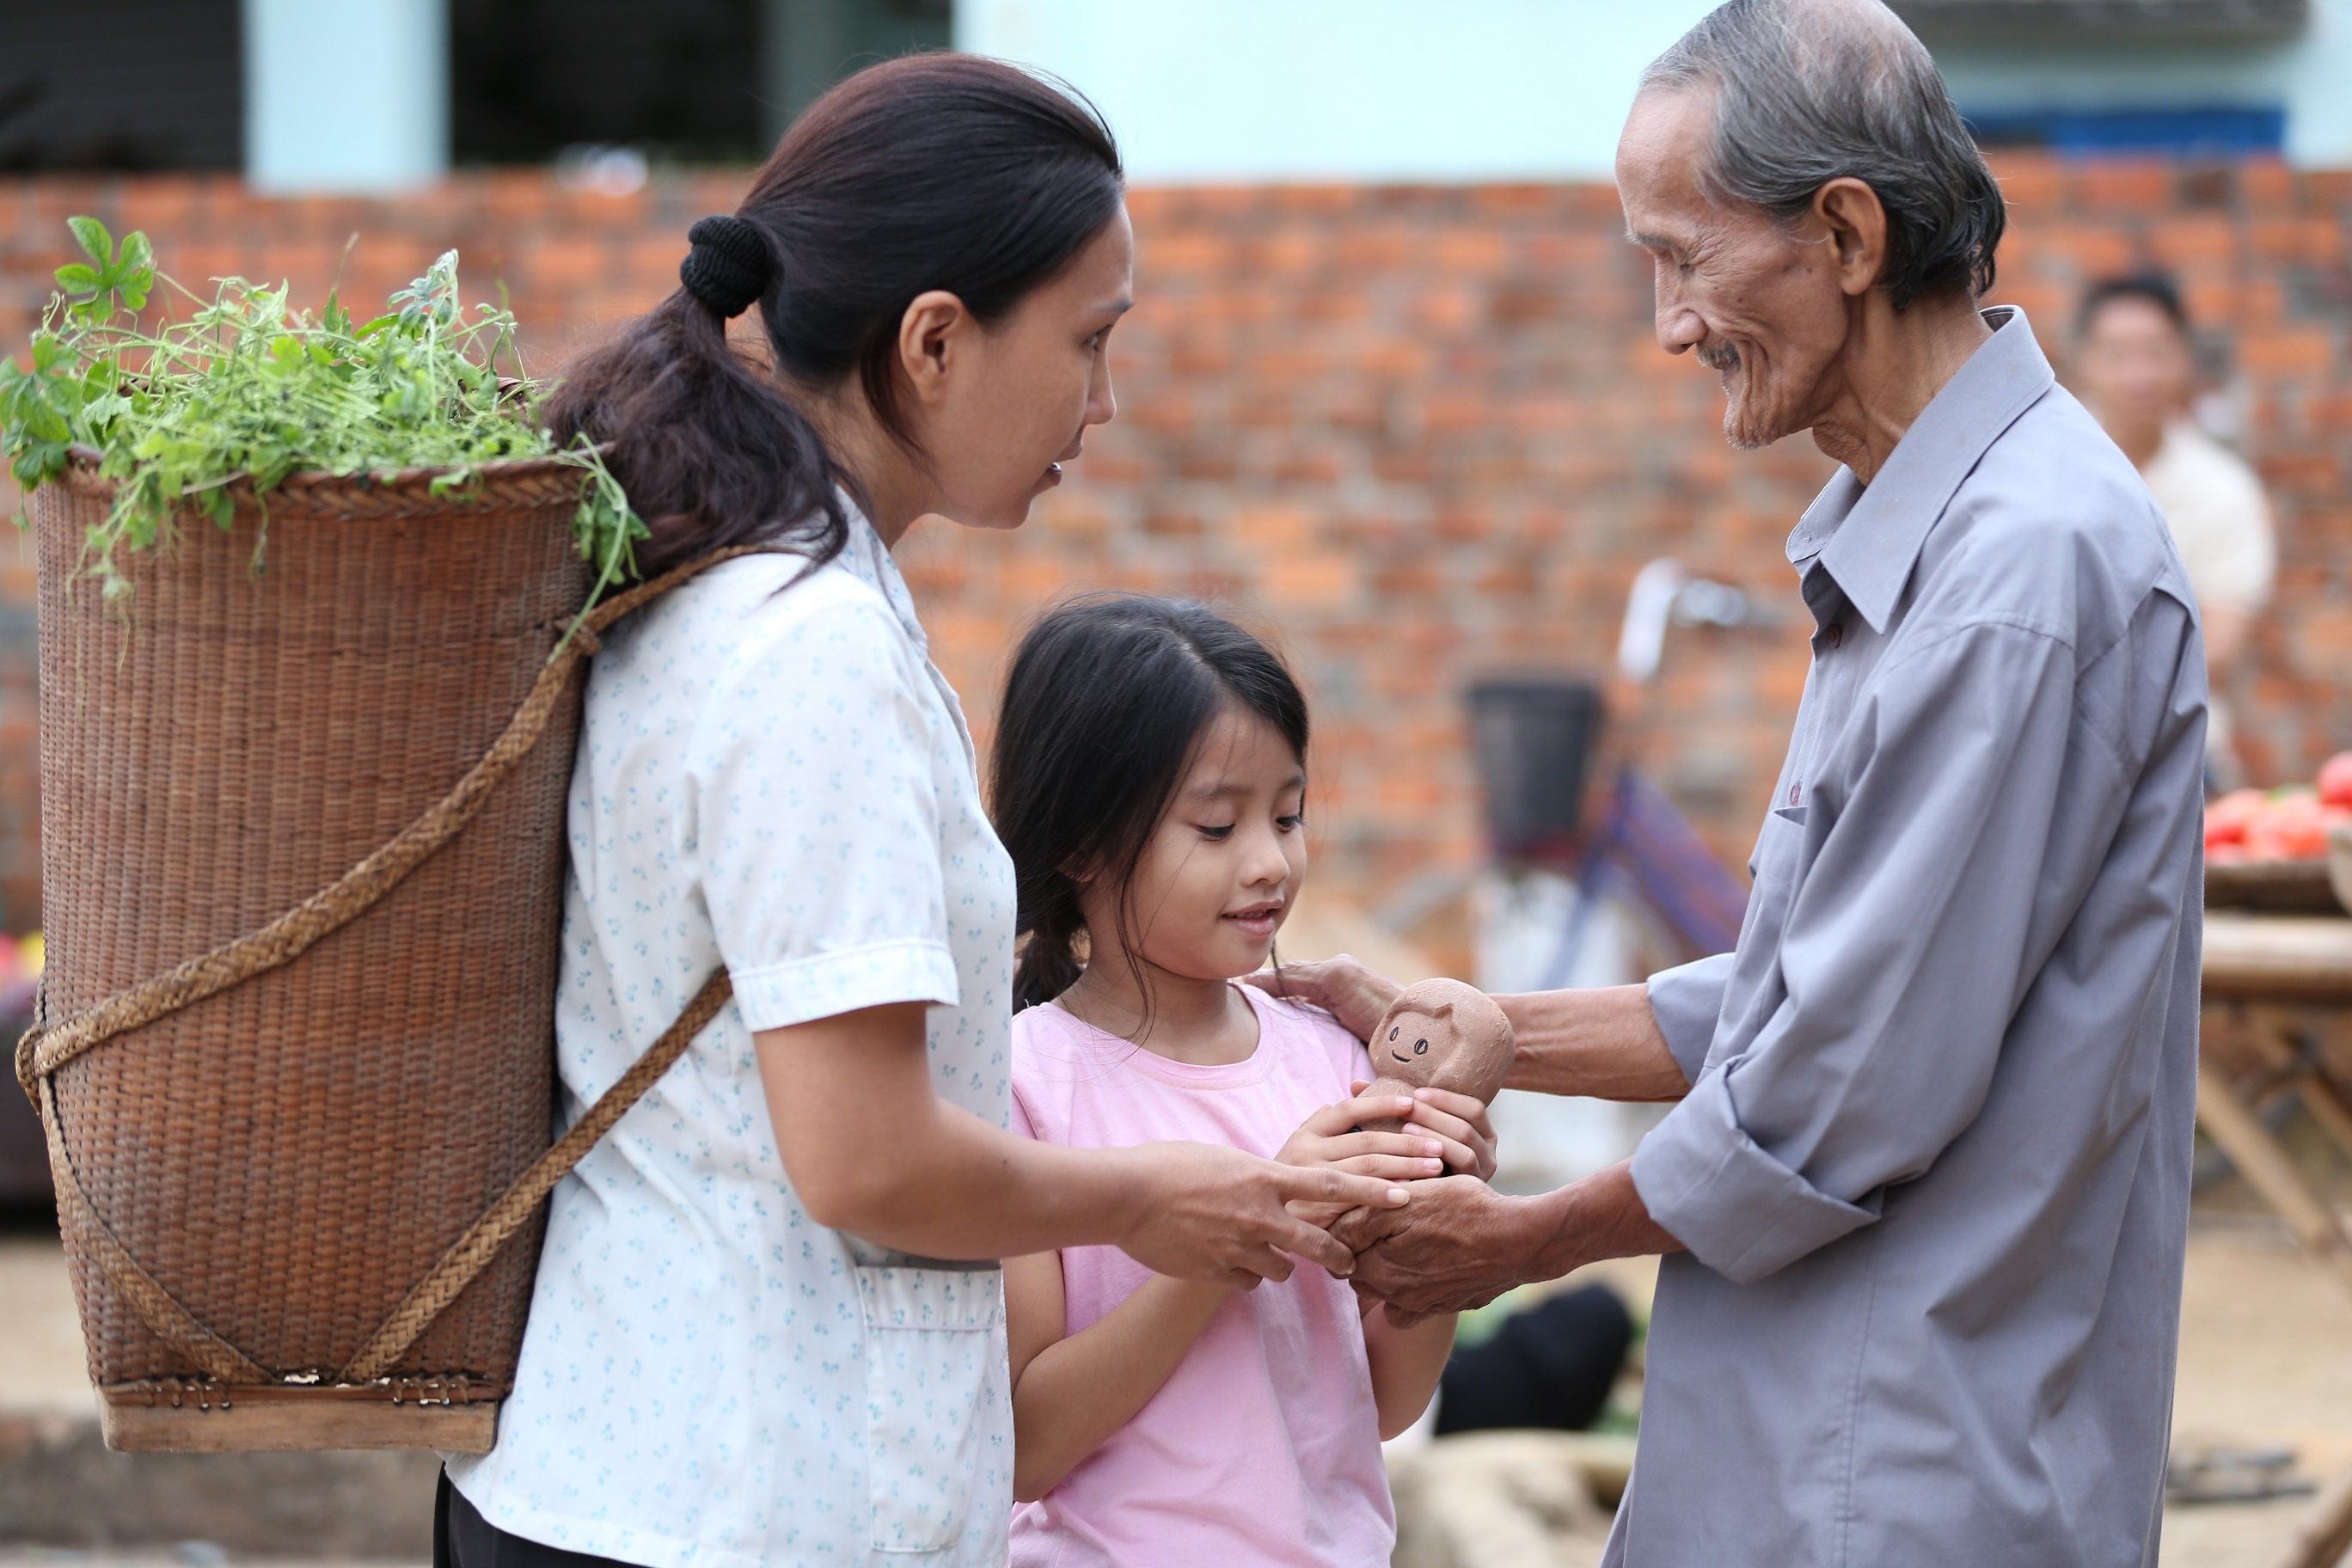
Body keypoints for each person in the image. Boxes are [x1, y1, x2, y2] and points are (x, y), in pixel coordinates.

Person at [434, 57, 1410, 1568]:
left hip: (642, 1475)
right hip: (730, 1504)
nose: (1105, 395)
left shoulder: (728, 587)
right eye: (1089, 341)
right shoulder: (805, 646)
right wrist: (1165, 1200)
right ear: (936, 342)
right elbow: (867, 1159)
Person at [1271, 3, 2207, 1564]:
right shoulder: (1939, 531)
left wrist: (1519, 1241)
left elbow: (1843, 1084)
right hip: (1833, 1437)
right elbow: (1819, 988)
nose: (1667, 323)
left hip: (1896, 1460)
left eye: (1683, 258)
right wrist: (1499, 1031)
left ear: (1845, 232)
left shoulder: (2013, 573)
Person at [989, 595, 1491, 1566]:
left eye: (1289, 815)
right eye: (1217, 826)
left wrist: (1443, 1228)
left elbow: (1385, 1404)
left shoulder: (1333, 1060)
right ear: (1081, 845)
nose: (1271, 861)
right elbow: (1029, 1448)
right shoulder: (1021, 1085)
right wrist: (1236, 1233)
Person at [2078, 273, 2276, 787]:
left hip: (2184, 755)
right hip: (2061, 753)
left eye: (2155, 352)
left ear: (2185, 359)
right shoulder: (2051, 471)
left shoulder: (2224, 490)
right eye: (2117, 355)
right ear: (2085, 362)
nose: (2138, 374)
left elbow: (2218, 651)